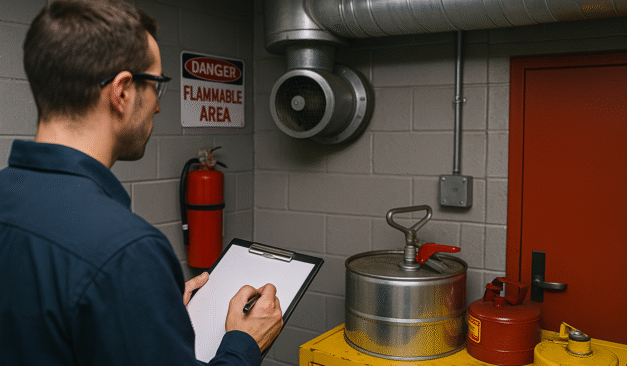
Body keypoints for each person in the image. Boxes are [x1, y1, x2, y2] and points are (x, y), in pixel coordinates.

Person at [0, 0, 283, 365]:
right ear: (122, 92)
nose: (158, 107)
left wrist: (145, 304)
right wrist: (244, 343)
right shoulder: (127, 251)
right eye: (157, 86)